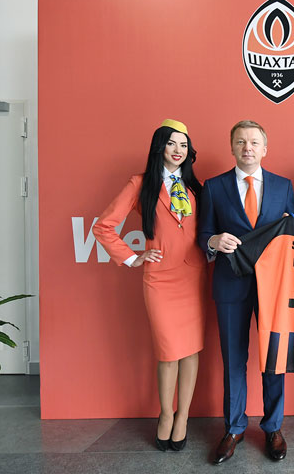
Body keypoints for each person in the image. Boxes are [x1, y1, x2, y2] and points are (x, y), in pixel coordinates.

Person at [93, 119, 206, 453]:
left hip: (194, 275)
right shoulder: (141, 183)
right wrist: (132, 258)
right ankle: (166, 414)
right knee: (168, 351)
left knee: (191, 350)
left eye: (183, 145)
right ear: (160, 147)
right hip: (161, 279)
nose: (178, 150)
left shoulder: (196, 186)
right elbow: (104, 226)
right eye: (171, 143)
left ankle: (184, 416)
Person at [197, 120, 294, 464]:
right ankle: (234, 427)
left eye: (254, 142)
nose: (247, 147)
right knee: (233, 359)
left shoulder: (284, 186)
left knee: (274, 358)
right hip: (230, 284)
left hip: (274, 287)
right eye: (241, 142)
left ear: (265, 148)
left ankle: (273, 427)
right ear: (232, 147)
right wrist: (214, 240)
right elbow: (203, 233)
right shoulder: (213, 187)